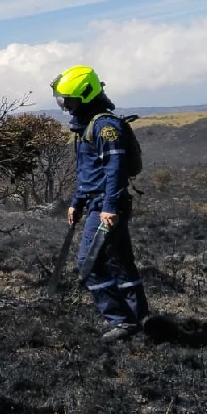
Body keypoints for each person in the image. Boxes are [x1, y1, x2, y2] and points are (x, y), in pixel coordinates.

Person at [51, 65, 149, 341]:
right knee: (120, 263)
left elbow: (114, 169)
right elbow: (89, 172)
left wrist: (108, 207)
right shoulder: (88, 126)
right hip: (99, 203)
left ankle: (121, 321)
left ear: (85, 95)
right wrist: (77, 201)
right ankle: (142, 319)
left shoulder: (105, 126)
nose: (66, 106)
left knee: (89, 264)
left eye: (69, 100)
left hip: (106, 206)